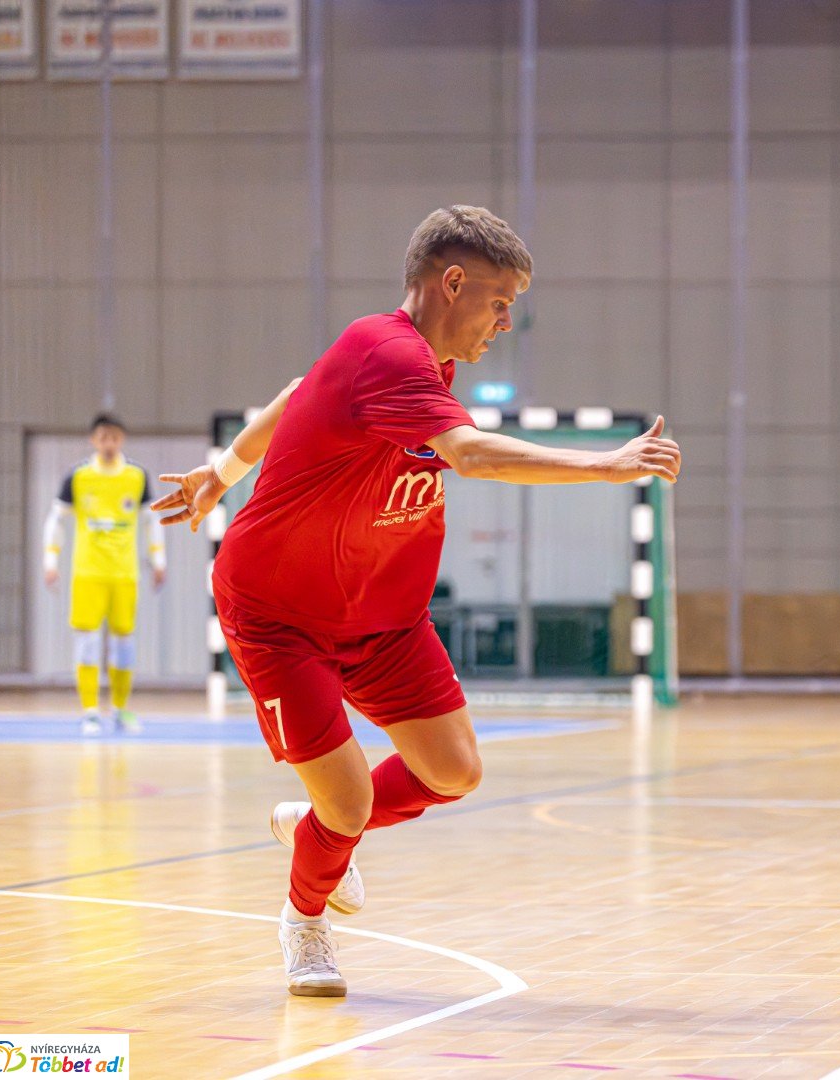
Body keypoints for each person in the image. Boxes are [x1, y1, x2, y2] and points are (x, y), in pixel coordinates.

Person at [152, 206, 682, 998]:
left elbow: (297, 392)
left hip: (382, 616)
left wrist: (219, 475)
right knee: (350, 795)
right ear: (452, 282)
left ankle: (314, 835)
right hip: (280, 614)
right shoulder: (387, 352)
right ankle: (305, 922)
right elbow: (469, 454)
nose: (507, 321)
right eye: (500, 301)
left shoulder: (425, 368)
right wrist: (605, 468)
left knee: (454, 769)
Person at [43, 413, 167, 735]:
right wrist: (50, 559)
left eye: (114, 437)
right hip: (87, 572)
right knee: (86, 641)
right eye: (102, 437)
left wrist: (159, 559)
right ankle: (89, 711)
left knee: (124, 643)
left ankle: (121, 709)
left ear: (121, 439)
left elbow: (151, 521)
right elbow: (56, 520)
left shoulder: (137, 476)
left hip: (124, 574)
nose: (108, 443)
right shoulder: (78, 476)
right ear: (93, 440)